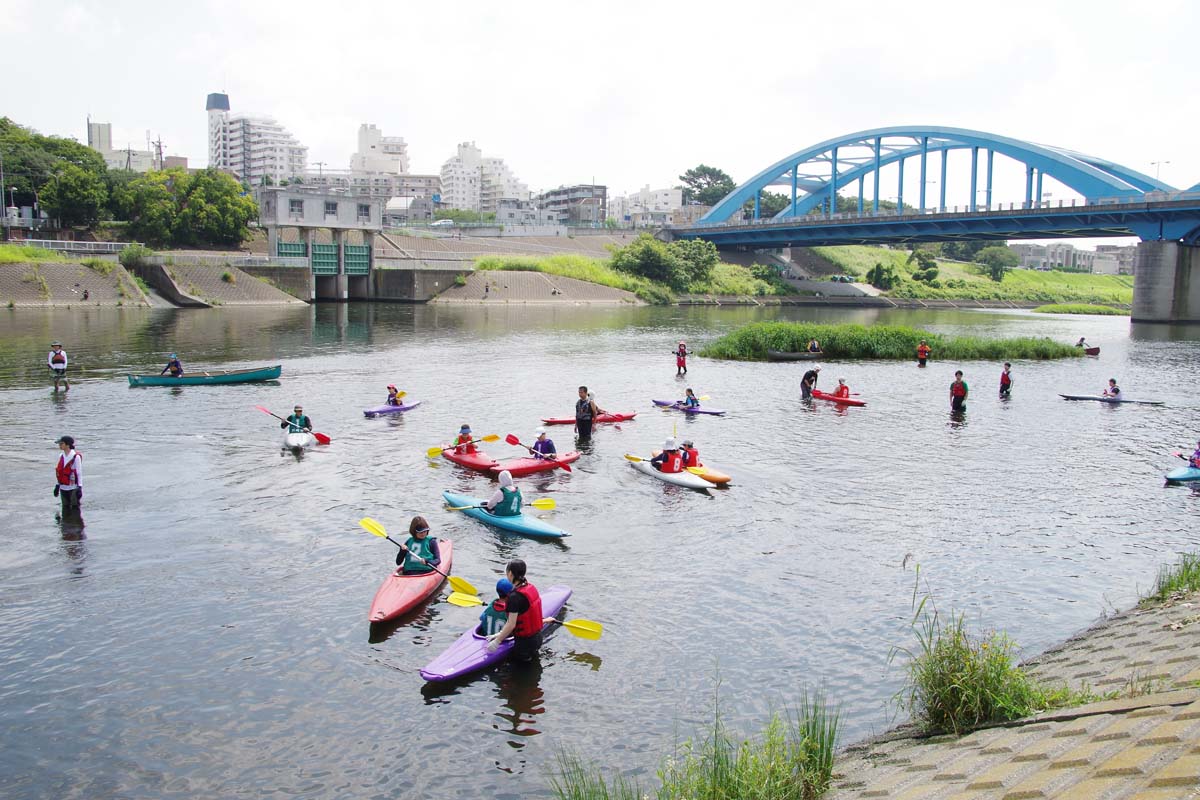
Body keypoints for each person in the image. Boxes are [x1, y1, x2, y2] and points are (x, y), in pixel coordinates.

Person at [486, 559, 545, 662]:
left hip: (524, 643)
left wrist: (497, 641)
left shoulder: (514, 597)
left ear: (510, 573)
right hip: (538, 637)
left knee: (520, 670)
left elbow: (511, 624)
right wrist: (499, 634)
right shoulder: (531, 587)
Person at [54, 435, 83, 520]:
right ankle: (65, 524)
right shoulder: (61, 456)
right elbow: (60, 472)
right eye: (59, 444)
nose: (59, 445)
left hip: (73, 487)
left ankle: (75, 525)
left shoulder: (76, 457)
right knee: (65, 507)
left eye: (61, 443)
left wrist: (79, 487)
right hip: (63, 486)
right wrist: (57, 485)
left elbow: (79, 473)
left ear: (68, 445)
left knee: (75, 508)